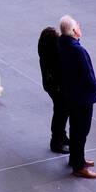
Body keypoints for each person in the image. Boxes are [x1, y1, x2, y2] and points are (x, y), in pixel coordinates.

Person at [57, 15, 96, 178]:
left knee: (75, 129)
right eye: (77, 25)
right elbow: (88, 75)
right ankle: (78, 165)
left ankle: (76, 158)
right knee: (82, 131)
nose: (79, 27)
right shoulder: (78, 50)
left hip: (70, 94)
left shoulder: (61, 44)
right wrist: (95, 89)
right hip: (82, 97)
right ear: (74, 30)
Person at [38, 26, 69, 155]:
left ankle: (61, 136)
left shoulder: (44, 50)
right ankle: (56, 141)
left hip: (51, 86)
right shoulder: (55, 56)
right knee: (60, 114)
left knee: (60, 112)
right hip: (57, 88)